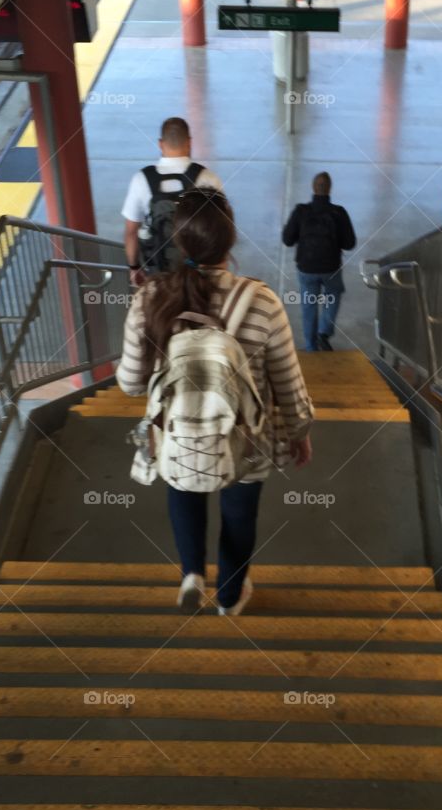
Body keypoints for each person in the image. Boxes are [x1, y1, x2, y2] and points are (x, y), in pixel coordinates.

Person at [117, 189, 314, 616]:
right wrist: (299, 433)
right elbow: (287, 384)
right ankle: (229, 596)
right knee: (240, 516)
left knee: (183, 488)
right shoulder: (262, 302)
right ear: (230, 240)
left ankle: (191, 573)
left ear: (179, 241)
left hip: (177, 431)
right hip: (247, 438)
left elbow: (131, 384)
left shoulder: (149, 300)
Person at [122, 116, 223, 283]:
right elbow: (220, 233)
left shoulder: (141, 180)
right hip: (199, 279)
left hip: (158, 276)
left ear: (160, 144)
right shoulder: (208, 179)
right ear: (189, 142)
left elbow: (131, 231)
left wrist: (134, 267)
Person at [282, 171, 356, 352]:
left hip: (306, 268)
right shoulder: (339, 213)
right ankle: (324, 331)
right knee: (333, 295)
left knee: (309, 306)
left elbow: (287, 240)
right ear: (330, 188)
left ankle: (310, 347)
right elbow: (349, 244)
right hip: (331, 268)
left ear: (313, 188)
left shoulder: (301, 211)